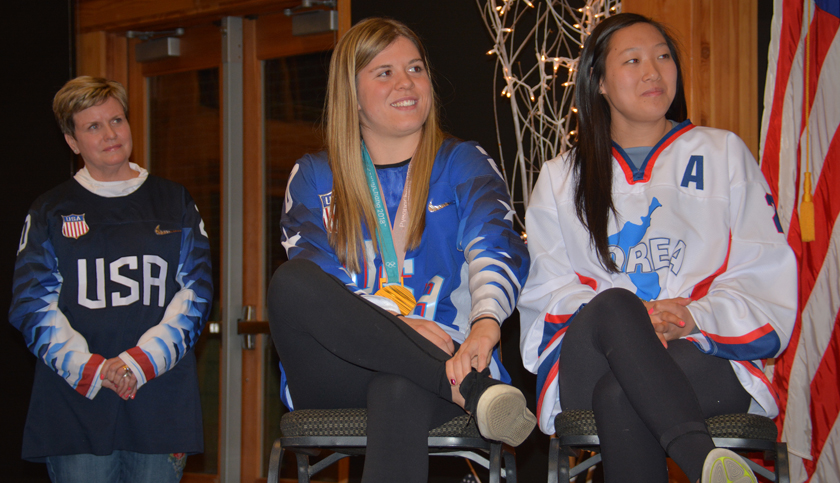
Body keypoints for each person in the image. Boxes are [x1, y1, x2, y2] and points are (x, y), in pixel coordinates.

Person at [517, 13, 796, 483]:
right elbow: (549, 290)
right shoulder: (562, 176)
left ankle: (700, 461)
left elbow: (762, 270)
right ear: (599, 82)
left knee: (623, 394)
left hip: (702, 353)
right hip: (591, 357)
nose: (653, 72)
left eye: (663, 57)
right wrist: (633, 320)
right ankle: (701, 461)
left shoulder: (723, 153)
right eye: (632, 60)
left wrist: (693, 317)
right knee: (614, 306)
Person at [268, 17, 535, 483]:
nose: (406, 83)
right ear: (350, 93)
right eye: (384, 72)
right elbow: (317, 278)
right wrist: (396, 325)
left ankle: (458, 381)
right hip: (339, 366)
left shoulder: (461, 162)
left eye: (415, 68)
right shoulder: (313, 175)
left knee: (398, 387)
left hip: (451, 351)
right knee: (291, 283)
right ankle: (472, 390)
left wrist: (486, 324)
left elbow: (495, 245)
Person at [9, 76, 213, 482]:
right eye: (93, 126)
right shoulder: (49, 210)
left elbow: (197, 295)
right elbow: (31, 306)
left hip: (159, 401)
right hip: (75, 406)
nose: (110, 134)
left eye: (116, 120)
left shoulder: (175, 201)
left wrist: (138, 363)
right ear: (72, 141)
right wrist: (94, 369)